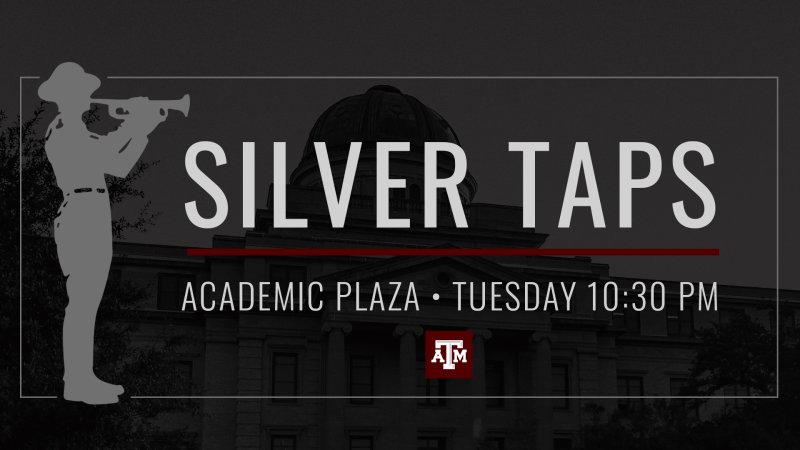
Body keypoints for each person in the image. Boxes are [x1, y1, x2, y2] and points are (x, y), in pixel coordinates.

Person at [39, 62, 167, 404]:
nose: (90, 97)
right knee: (82, 302)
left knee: (85, 302)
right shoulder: (66, 128)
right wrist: (137, 126)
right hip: (82, 210)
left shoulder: (74, 128)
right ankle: (78, 380)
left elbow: (117, 162)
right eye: (82, 90)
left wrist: (138, 128)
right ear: (67, 95)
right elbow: (112, 157)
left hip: (89, 210)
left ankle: (81, 377)